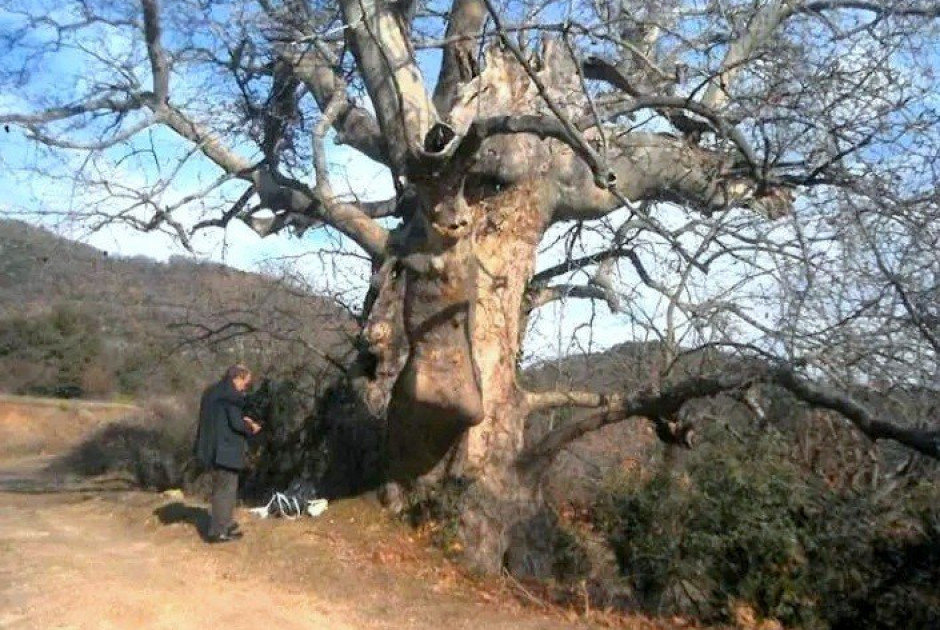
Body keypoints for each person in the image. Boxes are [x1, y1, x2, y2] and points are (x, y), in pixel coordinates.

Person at [193, 364, 261, 543]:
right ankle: (219, 531)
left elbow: (221, 418)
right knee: (226, 490)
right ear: (237, 378)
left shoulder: (212, 392)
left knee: (220, 489)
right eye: (245, 384)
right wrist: (250, 426)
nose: (244, 388)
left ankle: (224, 524)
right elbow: (235, 424)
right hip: (226, 450)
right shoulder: (231, 397)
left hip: (211, 448)